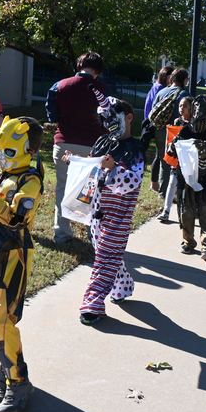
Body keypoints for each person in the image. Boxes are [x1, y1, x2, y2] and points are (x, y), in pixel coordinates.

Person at [0, 116, 44, 412]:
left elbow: (17, 218)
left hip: (12, 253)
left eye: (9, 151)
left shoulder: (31, 180)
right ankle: (6, 373)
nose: (1, 155)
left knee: (4, 318)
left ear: (27, 150)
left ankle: (18, 381)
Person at [65, 98, 145, 325]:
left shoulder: (136, 150)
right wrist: (75, 162)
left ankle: (92, 303)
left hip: (118, 215)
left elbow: (132, 181)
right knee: (107, 255)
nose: (107, 122)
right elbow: (91, 171)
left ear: (128, 118)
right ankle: (122, 286)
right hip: (97, 213)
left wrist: (113, 169)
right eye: (104, 118)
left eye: (112, 117)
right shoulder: (102, 143)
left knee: (105, 258)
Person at [45, 52, 107, 245]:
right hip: (92, 148)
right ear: (97, 70)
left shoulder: (60, 85)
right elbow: (109, 118)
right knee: (89, 191)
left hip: (64, 145)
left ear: (79, 65)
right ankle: (91, 232)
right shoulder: (102, 89)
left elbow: (52, 115)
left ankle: (61, 232)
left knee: (62, 188)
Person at [167, 95, 206, 262]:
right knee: (186, 213)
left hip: (205, 179)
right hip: (186, 178)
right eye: (197, 109)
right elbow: (171, 150)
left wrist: (203, 150)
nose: (199, 113)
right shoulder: (186, 129)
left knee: (205, 213)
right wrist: (173, 146)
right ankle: (188, 241)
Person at [158, 97, 192, 222]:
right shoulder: (177, 121)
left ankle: (191, 211)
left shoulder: (195, 123)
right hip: (178, 159)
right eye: (180, 106)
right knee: (172, 184)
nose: (181, 108)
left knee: (189, 187)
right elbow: (173, 139)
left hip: (190, 161)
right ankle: (166, 211)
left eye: (184, 106)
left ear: (191, 108)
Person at [144, 65, 174, 195]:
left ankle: (154, 183)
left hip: (150, 123)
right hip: (154, 124)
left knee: (158, 154)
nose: (172, 80)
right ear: (165, 76)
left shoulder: (156, 87)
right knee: (162, 156)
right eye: (171, 77)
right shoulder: (161, 89)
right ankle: (158, 185)